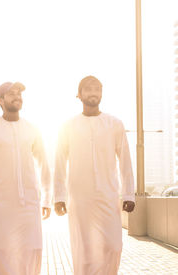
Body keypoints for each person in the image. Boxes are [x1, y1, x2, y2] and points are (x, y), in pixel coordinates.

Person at [54, 75, 135, 274]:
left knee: (113, 246)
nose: (94, 93)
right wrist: (59, 197)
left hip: (108, 196)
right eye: (89, 89)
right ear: (79, 95)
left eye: (97, 89)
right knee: (84, 251)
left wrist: (129, 194)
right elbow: (59, 163)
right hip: (80, 199)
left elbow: (125, 161)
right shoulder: (68, 126)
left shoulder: (115, 124)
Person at [0, 82, 52, 275]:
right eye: (11, 94)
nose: (17, 96)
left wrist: (47, 199)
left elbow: (44, 165)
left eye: (19, 93)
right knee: (0, 254)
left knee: (32, 252)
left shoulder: (33, 129)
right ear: (0, 100)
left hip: (29, 205)